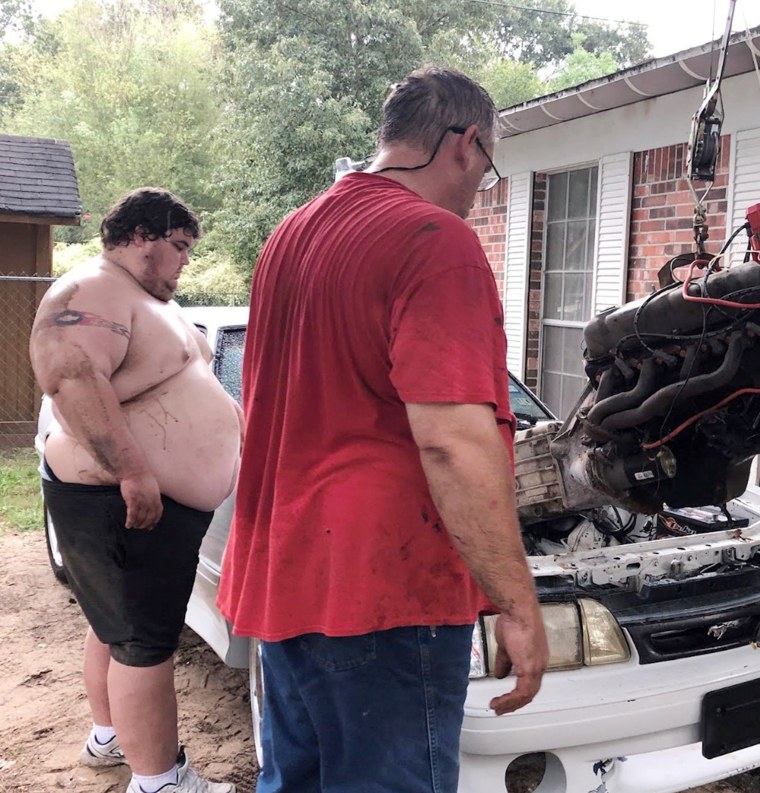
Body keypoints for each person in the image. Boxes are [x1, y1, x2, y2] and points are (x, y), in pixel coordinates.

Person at [218, 66, 549, 793]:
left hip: (286, 573)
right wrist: (518, 605)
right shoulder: (435, 239)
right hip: (384, 591)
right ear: (465, 144)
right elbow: (451, 442)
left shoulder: (292, 232)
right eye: (486, 168)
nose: (477, 191)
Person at [29, 188, 243, 793]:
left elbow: (194, 386)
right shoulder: (92, 289)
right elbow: (69, 377)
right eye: (178, 247)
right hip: (120, 500)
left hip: (143, 503)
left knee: (115, 627)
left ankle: (111, 737)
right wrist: (133, 472)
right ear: (140, 236)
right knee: (142, 642)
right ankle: (160, 781)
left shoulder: (145, 300)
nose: (184, 262)